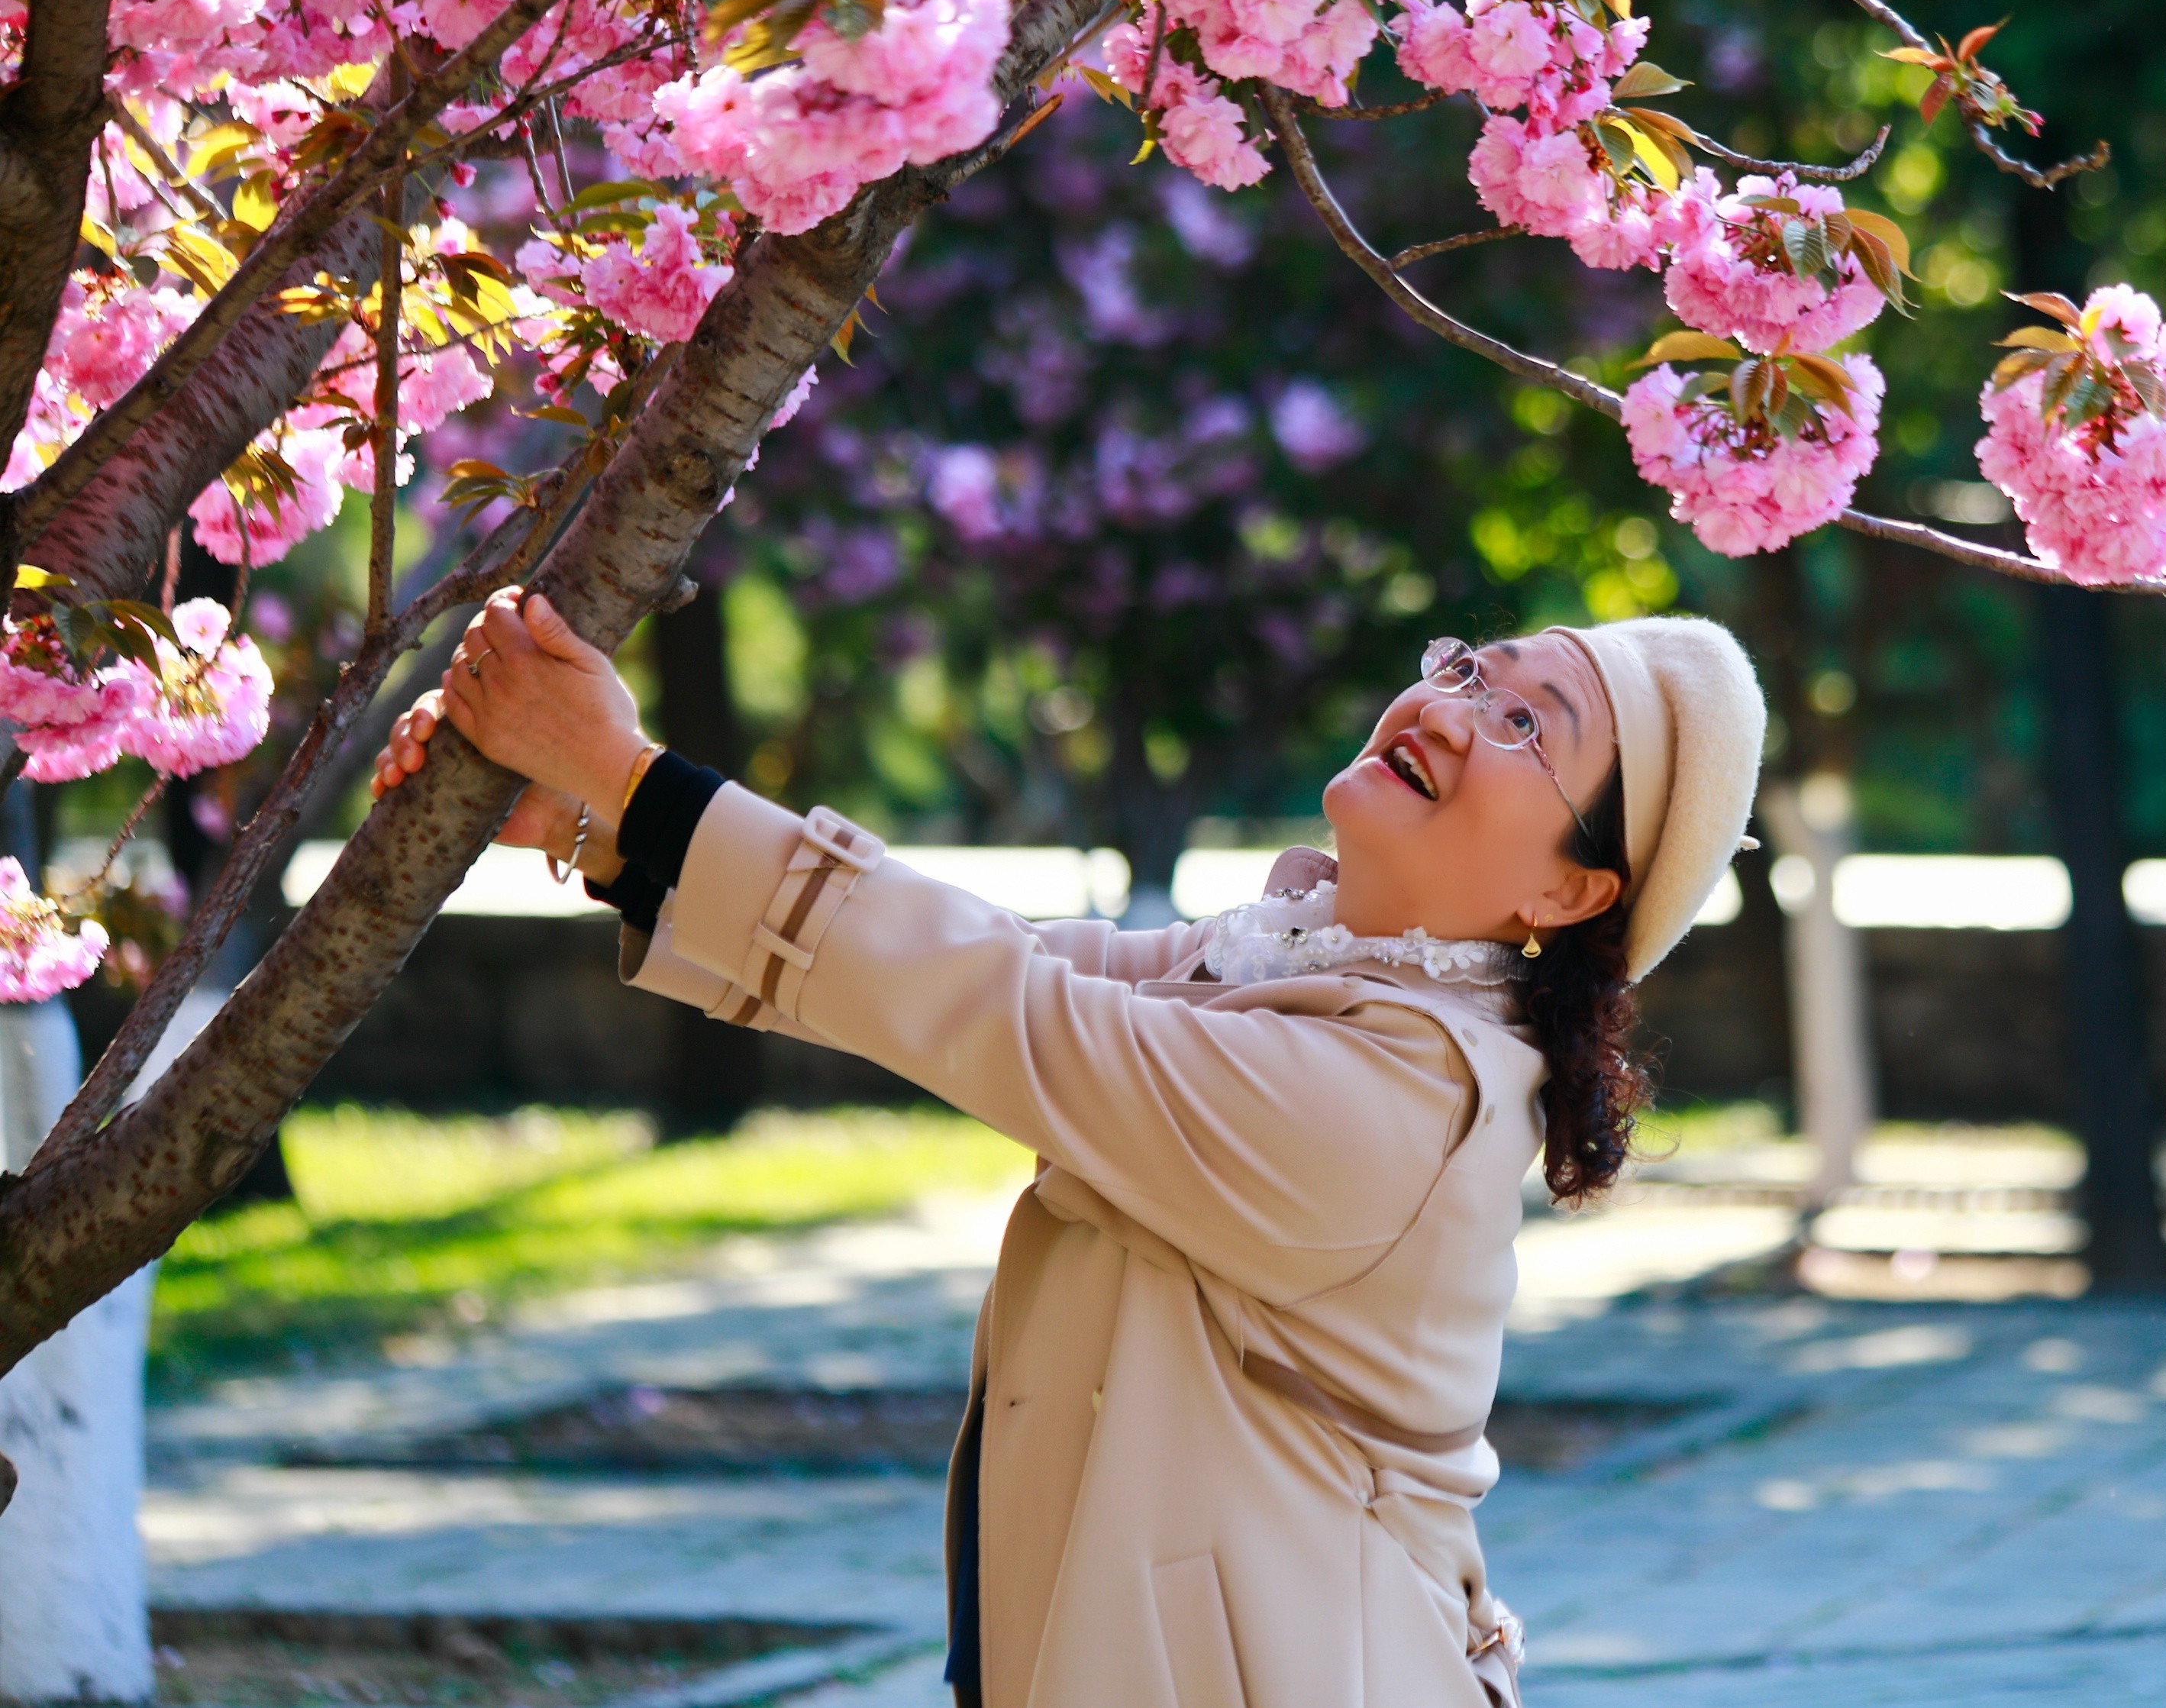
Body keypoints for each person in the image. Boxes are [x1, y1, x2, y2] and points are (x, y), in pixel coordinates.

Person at [374, 589, 1768, 1708]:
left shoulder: (1403, 1100)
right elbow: (994, 958)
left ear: (1566, 889)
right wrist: (603, 825)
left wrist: (637, 777)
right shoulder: (1288, 965)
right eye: (1475, 671)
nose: (1460, 711)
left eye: (1533, 722)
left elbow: (1003, 1012)